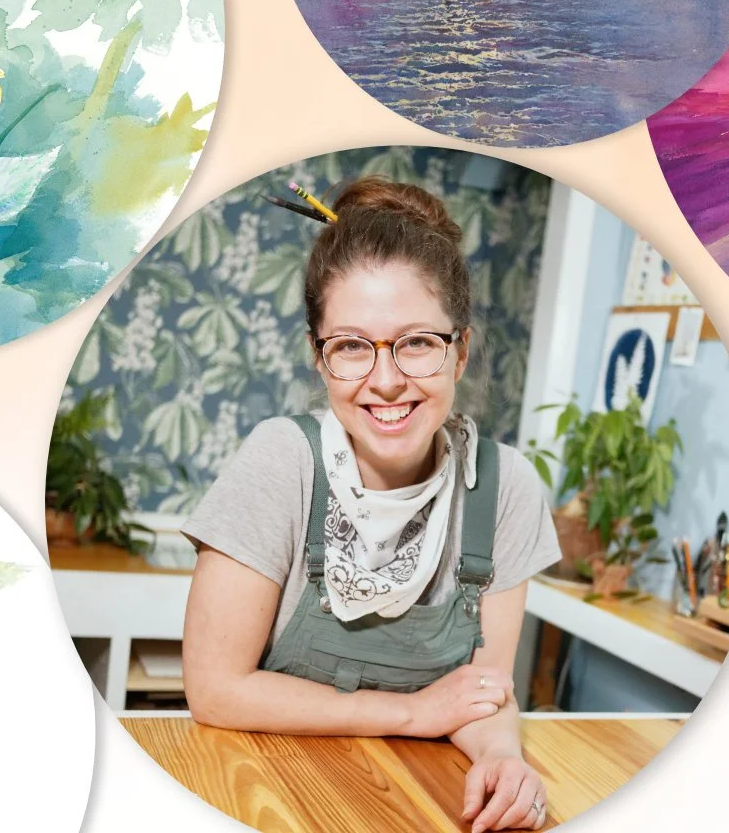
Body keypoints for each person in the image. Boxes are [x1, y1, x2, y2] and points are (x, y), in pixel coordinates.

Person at [180, 176, 561, 833]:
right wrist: (412, 714)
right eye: (352, 346)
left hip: (417, 807)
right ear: (320, 358)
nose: (386, 380)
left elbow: (480, 694)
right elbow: (215, 691)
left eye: (416, 342)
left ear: (460, 350)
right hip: (269, 799)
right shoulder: (283, 462)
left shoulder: (508, 488)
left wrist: (502, 758)